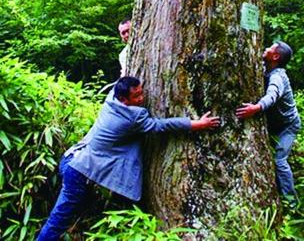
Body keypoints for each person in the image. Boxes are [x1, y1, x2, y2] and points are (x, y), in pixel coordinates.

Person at [37, 77, 220, 240]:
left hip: (73, 158)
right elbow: (159, 126)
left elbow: (121, 76)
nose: (141, 99)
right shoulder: (133, 117)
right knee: (59, 219)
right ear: (124, 99)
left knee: (73, 210)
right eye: (136, 97)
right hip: (79, 170)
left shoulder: (111, 98)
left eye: (141, 93)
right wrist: (195, 124)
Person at [236, 41, 301, 207]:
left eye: (270, 48)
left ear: (276, 56)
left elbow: (273, 94)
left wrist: (256, 108)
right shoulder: (264, 68)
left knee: (279, 160)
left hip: (288, 126)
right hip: (274, 124)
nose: (265, 48)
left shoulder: (277, 77)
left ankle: (291, 203)